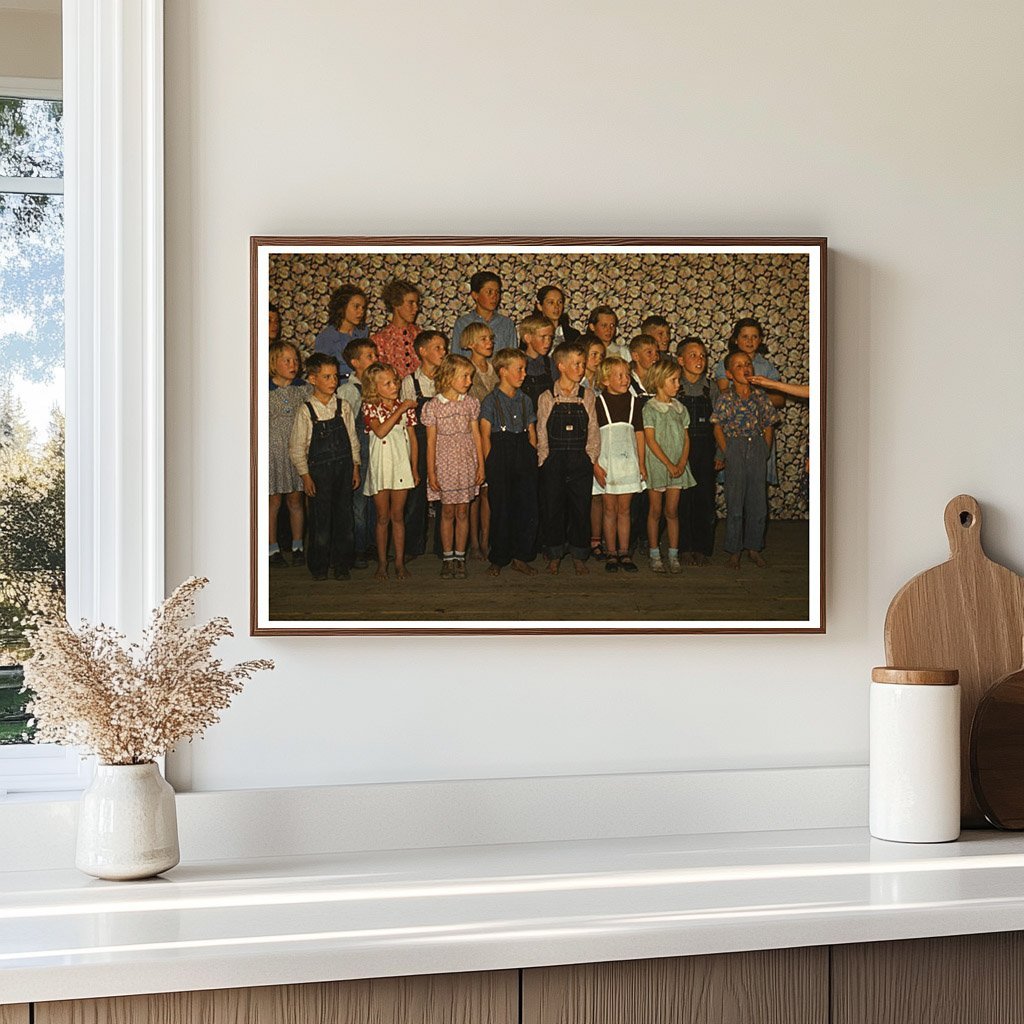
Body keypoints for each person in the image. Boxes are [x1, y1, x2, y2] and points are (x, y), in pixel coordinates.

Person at [288, 353, 361, 581]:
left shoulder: (344, 407)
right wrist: (305, 475)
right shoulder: (306, 411)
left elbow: (352, 439)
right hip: (319, 473)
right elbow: (297, 447)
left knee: (344, 519)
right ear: (312, 379)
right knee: (321, 521)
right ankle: (319, 566)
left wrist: (355, 466)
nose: (333, 382)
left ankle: (342, 564)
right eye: (326, 377)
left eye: (335, 377)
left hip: (343, 469)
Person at [535, 341, 600, 575]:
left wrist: (590, 457)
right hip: (554, 461)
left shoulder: (587, 396)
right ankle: (554, 554)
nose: (581, 368)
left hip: (580, 460)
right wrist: (543, 459)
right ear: (561, 366)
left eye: (583, 364)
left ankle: (579, 554)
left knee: (580, 509)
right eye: (576, 364)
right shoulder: (547, 397)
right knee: (553, 508)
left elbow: (593, 429)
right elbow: (541, 430)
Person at [711, 351, 779, 569]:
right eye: (738, 366)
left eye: (747, 364)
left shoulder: (760, 397)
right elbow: (717, 426)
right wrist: (727, 450)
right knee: (736, 501)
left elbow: (768, 424)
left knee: (758, 502)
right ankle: (734, 549)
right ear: (729, 374)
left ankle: (754, 547)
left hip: (757, 446)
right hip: (735, 447)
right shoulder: (725, 398)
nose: (745, 368)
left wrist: (765, 448)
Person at [422, 354, 485, 580]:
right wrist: (431, 471)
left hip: (466, 462)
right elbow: (430, 442)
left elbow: (476, 436)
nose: (469, 381)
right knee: (447, 512)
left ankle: (460, 557)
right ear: (448, 377)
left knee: (463, 511)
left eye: (470, 376)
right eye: (465, 376)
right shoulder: (434, 406)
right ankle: (448, 558)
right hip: (444, 463)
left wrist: (480, 466)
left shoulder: (471, 403)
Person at [480, 348, 538, 577]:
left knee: (526, 506)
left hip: (523, 451)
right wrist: (490, 464)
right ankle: (499, 557)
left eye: (524, 369)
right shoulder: (490, 401)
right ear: (503, 371)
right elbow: (485, 435)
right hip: (500, 453)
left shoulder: (525, 400)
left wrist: (531, 455)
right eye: (519, 369)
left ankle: (521, 556)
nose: (524, 374)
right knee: (501, 508)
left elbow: (531, 431)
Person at [361, 362, 419, 581]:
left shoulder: (405, 408)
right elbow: (381, 431)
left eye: (395, 381)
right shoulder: (370, 406)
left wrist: (414, 468)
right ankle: (382, 562)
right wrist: (400, 409)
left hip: (401, 465)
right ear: (374, 388)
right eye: (387, 383)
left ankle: (399, 562)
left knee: (398, 516)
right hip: (381, 466)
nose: (394, 385)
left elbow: (413, 440)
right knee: (382, 517)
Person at [712, 317, 785, 487]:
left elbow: (780, 399)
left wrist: (755, 398)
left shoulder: (766, 366)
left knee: (757, 485)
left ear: (760, 340)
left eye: (754, 336)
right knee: (736, 484)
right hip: (734, 432)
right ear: (735, 339)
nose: (750, 341)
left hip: (760, 432)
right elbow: (723, 392)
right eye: (745, 336)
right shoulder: (726, 364)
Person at [592, 356, 647, 574]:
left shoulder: (635, 402)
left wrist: (641, 463)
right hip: (607, 463)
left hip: (628, 464)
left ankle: (624, 551)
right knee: (609, 509)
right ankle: (611, 551)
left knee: (625, 509)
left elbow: (640, 435)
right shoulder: (598, 403)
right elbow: (593, 437)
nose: (626, 380)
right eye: (620, 376)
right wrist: (595, 464)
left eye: (627, 375)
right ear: (605, 380)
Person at [643, 360, 696, 573]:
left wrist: (681, 463)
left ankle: (673, 554)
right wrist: (667, 463)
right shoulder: (650, 408)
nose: (677, 384)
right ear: (658, 381)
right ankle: (654, 553)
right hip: (658, 465)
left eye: (678, 380)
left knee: (672, 511)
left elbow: (685, 437)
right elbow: (650, 440)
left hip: (678, 467)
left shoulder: (680, 408)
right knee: (655, 510)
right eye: (673, 380)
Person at [400, 330, 449, 559]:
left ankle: (443, 546)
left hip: (445, 441)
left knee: (444, 494)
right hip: (419, 441)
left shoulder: (448, 380)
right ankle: (413, 546)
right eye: (438, 348)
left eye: (444, 347)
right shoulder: (410, 382)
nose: (443, 352)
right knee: (416, 495)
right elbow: (407, 421)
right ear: (423, 351)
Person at [337, 338, 379, 569]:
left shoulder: (377, 386)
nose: (375, 360)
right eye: (369, 357)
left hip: (376, 452)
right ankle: (358, 548)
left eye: (375, 355)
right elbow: (346, 426)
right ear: (355, 363)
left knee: (374, 502)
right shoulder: (348, 391)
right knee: (359, 505)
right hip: (358, 453)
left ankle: (373, 545)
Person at [268, 340, 310, 568]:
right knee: (273, 501)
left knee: (296, 499)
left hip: (296, 451)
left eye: (295, 360)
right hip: (272, 453)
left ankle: (297, 545)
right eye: (287, 361)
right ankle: (271, 547)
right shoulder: (264, 389)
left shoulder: (302, 388)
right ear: (274, 363)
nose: (293, 364)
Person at [675, 338, 717, 565]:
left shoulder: (712, 389)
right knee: (682, 500)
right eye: (693, 355)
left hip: (705, 452)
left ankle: (702, 547)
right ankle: (683, 546)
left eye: (702, 355)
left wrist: (720, 454)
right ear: (680, 360)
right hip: (680, 452)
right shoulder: (674, 387)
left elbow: (721, 426)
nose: (699, 360)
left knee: (704, 499)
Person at [461, 321, 498, 560]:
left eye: (491, 338)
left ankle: (486, 539)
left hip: (494, 436)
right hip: (470, 437)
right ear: (471, 343)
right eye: (484, 339)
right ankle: (473, 541)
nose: (489, 343)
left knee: (489, 492)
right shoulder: (465, 370)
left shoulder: (494, 369)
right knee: (474, 492)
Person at [451, 270, 518, 356]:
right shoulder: (463, 323)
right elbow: (456, 357)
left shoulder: (506, 324)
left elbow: (513, 357)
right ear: (475, 295)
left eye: (497, 292)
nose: (494, 297)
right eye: (489, 292)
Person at [313, 284, 369, 379]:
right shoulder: (327, 337)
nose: (361, 312)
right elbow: (320, 371)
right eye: (356, 307)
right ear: (342, 307)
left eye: (363, 308)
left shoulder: (363, 332)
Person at [372, 279, 422, 378]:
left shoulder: (420, 335)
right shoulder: (379, 340)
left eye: (416, 303)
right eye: (411, 303)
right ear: (396, 304)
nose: (416, 308)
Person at [518, 313, 556, 412]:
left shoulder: (550, 363)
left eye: (550, 337)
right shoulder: (517, 363)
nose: (548, 342)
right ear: (528, 338)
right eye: (543, 337)